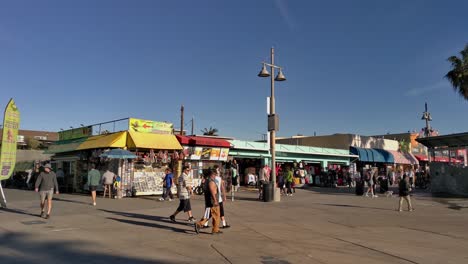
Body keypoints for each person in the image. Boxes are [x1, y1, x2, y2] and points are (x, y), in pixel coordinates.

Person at [194, 169, 221, 235]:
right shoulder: (211, 182)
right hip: (212, 201)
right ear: (212, 174)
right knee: (216, 215)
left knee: (209, 215)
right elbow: (212, 191)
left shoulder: (206, 181)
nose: (215, 176)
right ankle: (215, 230)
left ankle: (199, 224)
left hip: (209, 201)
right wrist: (215, 200)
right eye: (215, 174)